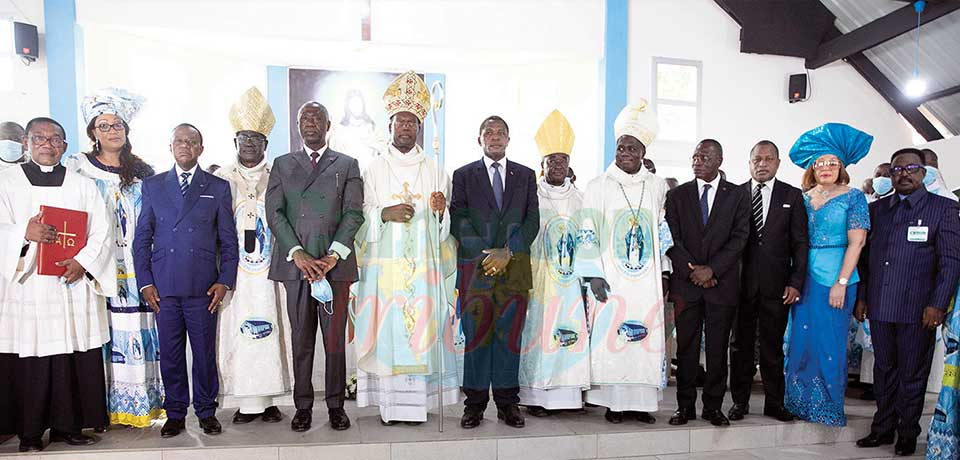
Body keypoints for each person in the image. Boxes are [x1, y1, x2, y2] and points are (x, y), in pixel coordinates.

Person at [0, 117, 116, 452]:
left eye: (55, 139)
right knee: (33, 354)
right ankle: (30, 432)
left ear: (64, 146)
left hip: (71, 284)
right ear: (26, 142)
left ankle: (69, 426)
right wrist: (23, 232)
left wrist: (83, 262)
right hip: (26, 286)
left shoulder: (83, 185)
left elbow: (103, 232)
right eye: (39, 138)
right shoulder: (6, 182)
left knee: (70, 354)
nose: (47, 145)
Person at [352, 71, 458, 425]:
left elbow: (443, 234)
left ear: (420, 128)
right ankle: (390, 407)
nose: (406, 128)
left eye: (412, 122)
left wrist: (442, 213)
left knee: (420, 332)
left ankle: (417, 406)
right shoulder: (374, 169)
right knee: (390, 332)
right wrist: (384, 213)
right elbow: (361, 215)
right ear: (390, 126)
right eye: (400, 122)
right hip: (386, 274)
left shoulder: (436, 170)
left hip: (423, 274)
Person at [62, 88, 161, 429]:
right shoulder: (77, 168)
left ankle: (138, 408)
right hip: (94, 267)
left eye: (118, 124)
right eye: (103, 125)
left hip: (136, 269)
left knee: (137, 330)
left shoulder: (145, 173)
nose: (112, 131)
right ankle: (96, 409)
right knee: (97, 334)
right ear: (93, 132)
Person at [133, 123, 239, 438]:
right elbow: (142, 239)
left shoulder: (217, 187)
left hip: (203, 287)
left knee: (204, 352)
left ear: (200, 149)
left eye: (192, 142)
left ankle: (206, 411)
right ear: (170, 147)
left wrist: (225, 280)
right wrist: (145, 282)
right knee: (171, 352)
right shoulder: (152, 186)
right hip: (163, 286)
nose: (185, 146)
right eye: (179, 141)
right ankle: (175, 413)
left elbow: (229, 242)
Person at [266, 101, 364, 432]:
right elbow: (274, 213)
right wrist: (297, 253)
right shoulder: (282, 164)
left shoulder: (347, 164)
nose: (310, 123)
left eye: (317, 118)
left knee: (334, 340)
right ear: (297, 126)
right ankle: (303, 406)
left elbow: (354, 213)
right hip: (296, 268)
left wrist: (333, 256)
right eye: (304, 118)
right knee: (301, 338)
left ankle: (336, 405)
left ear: (328, 124)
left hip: (334, 267)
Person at [855, 148, 960, 456]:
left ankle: (907, 432)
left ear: (923, 172)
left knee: (912, 373)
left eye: (911, 168)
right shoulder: (878, 209)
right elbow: (866, 260)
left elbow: (951, 262)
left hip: (919, 308)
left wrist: (938, 304)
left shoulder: (943, 208)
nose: (903, 174)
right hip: (881, 304)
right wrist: (862, 298)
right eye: (897, 170)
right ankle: (882, 429)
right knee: (884, 370)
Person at [578, 101, 672, 424]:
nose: (625, 152)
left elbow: (661, 231)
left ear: (644, 152)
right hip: (611, 278)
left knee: (644, 338)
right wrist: (592, 276)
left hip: (645, 281)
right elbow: (587, 231)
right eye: (621, 147)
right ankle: (614, 404)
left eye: (632, 147)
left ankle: (642, 404)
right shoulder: (598, 186)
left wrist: (665, 271)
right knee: (613, 338)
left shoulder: (656, 186)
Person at [451, 115, 539, 429]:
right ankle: (474, 405)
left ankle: (507, 404)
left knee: (509, 339)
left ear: (508, 139)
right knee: (476, 340)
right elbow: (458, 219)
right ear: (479, 139)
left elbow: (532, 221)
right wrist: (487, 255)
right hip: (476, 271)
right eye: (489, 132)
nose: (495, 136)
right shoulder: (463, 175)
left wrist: (508, 252)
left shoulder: (526, 175)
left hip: (514, 272)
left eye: (501, 132)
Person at [782, 123, 871, 427]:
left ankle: (827, 407)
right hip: (803, 278)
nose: (826, 168)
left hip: (837, 276)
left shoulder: (853, 197)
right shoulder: (803, 198)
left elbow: (857, 241)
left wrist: (842, 282)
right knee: (799, 340)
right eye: (820, 163)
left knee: (829, 343)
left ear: (842, 166)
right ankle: (797, 402)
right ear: (811, 167)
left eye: (832, 162)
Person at [215, 87, 293, 426]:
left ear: (265, 144)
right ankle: (244, 400)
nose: (249, 144)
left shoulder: (281, 176)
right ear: (235, 142)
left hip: (271, 271)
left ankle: (271, 398)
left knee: (275, 328)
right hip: (235, 273)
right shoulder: (220, 179)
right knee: (236, 332)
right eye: (243, 138)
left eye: (256, 139)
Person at [665, 138, 749, 427]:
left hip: (720, 284)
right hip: (686, 285)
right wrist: (693, 270)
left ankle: (713, 407)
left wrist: (712, 270)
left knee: (717, 349)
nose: (696, 161)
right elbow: (671, 237)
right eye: (694, 157)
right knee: (686, 348)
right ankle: (684, 407)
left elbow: (740, 238)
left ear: (719, 161)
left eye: (703, 157)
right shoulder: (678, 195)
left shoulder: (737, 195)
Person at [727, 140, 808, 422]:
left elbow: (800, 243)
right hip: (739, 286)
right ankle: (739, 402)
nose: (762, 164)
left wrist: (796, 281)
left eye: (768, 159)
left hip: (778, 287)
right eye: (756, 159)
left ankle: (775, 403)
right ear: (749, 163)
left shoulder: (793, 196)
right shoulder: (734, 194)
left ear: (777, 163)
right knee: (740, 348)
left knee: (773, 347)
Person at [518, 110, 589, 417]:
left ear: (569, 165)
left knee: (568, 333)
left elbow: (589, 239)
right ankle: (535, 398)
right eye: (551, 161)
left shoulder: (581, 199)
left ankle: (569, 397)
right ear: (541, 165)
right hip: (538, 278)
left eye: (562, 160)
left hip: (570, 282)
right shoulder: (530, 195)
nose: (558, 165)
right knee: (538, 334)